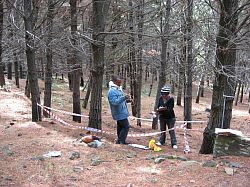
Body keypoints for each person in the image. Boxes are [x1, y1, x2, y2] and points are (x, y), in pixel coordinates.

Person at [108, 75, 132, 144]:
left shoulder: (118, 89)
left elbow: (120, 100)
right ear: (115, 82)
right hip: (118, 112)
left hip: (122, 111)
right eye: (119, 82)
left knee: (120, 126)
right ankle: (122, 141)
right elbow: (114, 102)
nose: (120, 83)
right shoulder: (112, 91)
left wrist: (127, 100)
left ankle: (119, 140)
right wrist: (124, 97)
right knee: (126, 126)